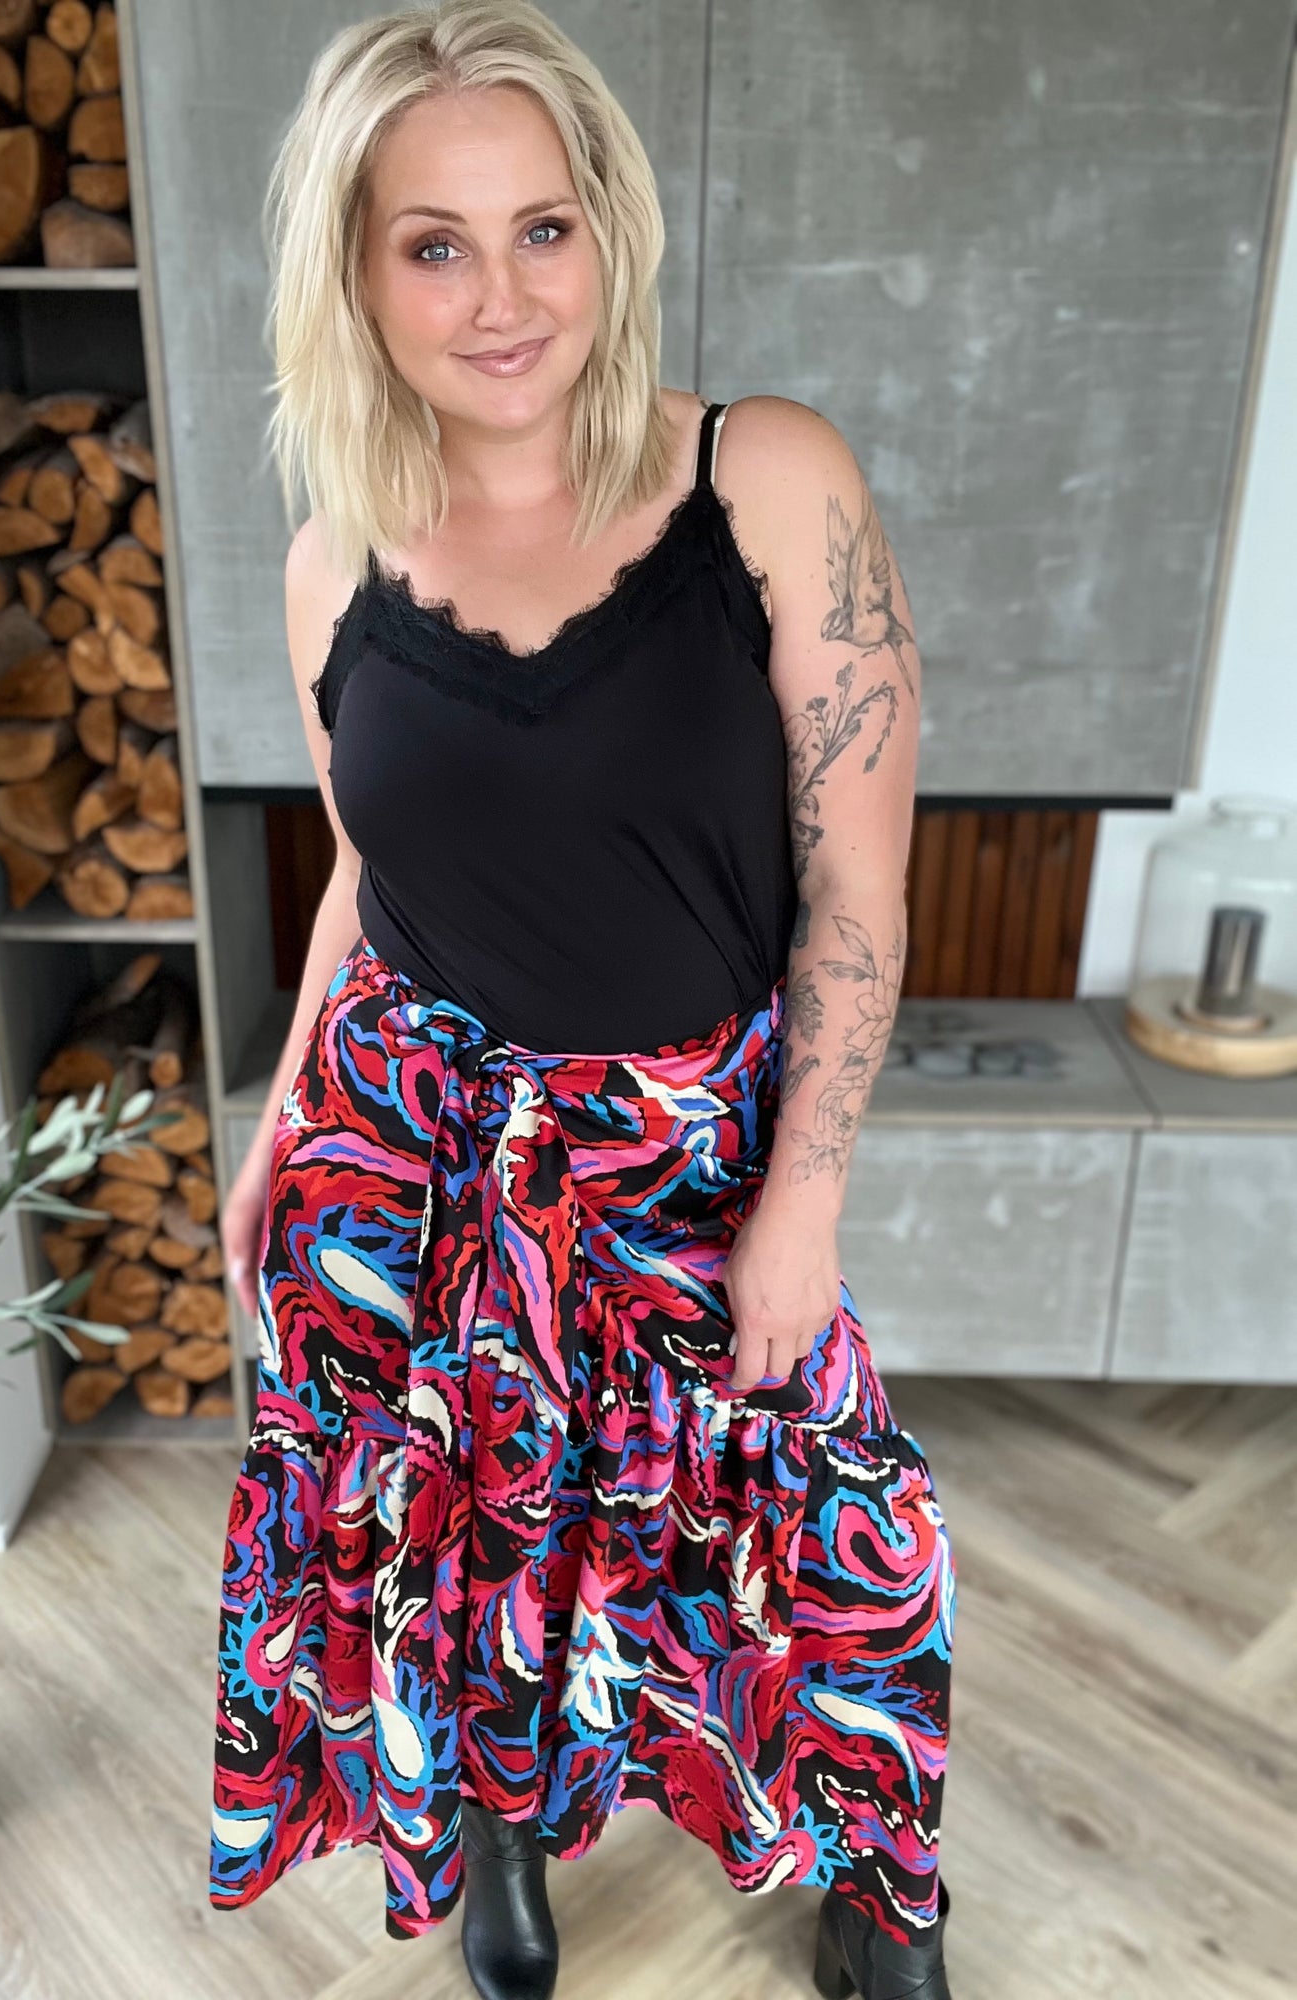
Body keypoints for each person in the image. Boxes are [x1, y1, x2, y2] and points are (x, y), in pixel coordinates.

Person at [210, 6, 956, 1998]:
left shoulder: (763, 480)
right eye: (433, 243)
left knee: (831, 1563)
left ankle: (882, 1890)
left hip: (688, 1150)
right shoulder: (331, 560)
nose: (502, 296)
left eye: (543, 228)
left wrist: (803, 1201)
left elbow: (858, 882)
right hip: (411, 1157)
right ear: (357, 273)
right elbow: (367, 868)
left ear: (609, 230)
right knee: (449, 1546)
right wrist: (281, 1128)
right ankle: (497, 1853)